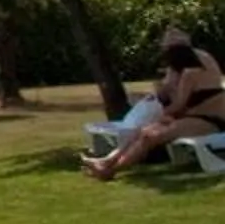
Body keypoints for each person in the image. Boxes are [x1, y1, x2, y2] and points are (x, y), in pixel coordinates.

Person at [85, 37, 225, 178]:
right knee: (144, 132)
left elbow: (179, 105)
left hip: (210, 120)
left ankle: (111, 169)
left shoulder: (190, 74)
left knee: (150, 137)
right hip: (191, 118)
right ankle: (107, 161)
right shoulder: (191, 71)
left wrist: (162, 115)